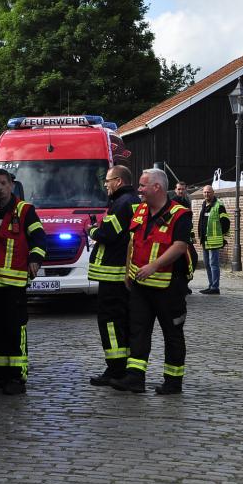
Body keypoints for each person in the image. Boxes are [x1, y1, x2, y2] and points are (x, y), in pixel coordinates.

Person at [111, 168, 192, 395]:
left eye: (143, 185)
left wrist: (154, 266)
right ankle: (135, 377)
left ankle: (173, 382)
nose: (139, 189)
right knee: (138, 331)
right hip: (140, 286)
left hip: (169, 287)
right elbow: (133, 242)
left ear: (157, 187)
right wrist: (129, 271)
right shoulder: (140, 211)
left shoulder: (180, 214)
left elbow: (180, 246)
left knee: (172, 334)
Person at [0, 169, 47, 395]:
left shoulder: (25, 210)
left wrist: (35, 259)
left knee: (15, 330)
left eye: (3, 184)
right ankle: (1, 375)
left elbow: (39, 238)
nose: (0, 188)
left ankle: (17, 377)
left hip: (16, 284)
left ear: (12, 185)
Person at [86, 165, 141, 386]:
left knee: (110, 322)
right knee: (124, 321)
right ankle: (123, 367)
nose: (106, 185)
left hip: (112, 276)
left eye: (108, 181)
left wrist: (91, 230)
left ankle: (115, 369)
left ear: (118, 181)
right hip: (124, 275)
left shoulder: (121, 203)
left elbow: (107, 234)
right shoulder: (134, 201)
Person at [198, 185, 230, 295]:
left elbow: (225, 221)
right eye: (205, 192)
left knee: (214, 264)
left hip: (214, 241)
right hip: (205, 240)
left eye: (209, 192)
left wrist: (222, 236)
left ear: (213, 192)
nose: (207, 194)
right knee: (207, 264)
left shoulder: (219, 205)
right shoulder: (204, 204)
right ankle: (211, 285)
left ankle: (215, 287)